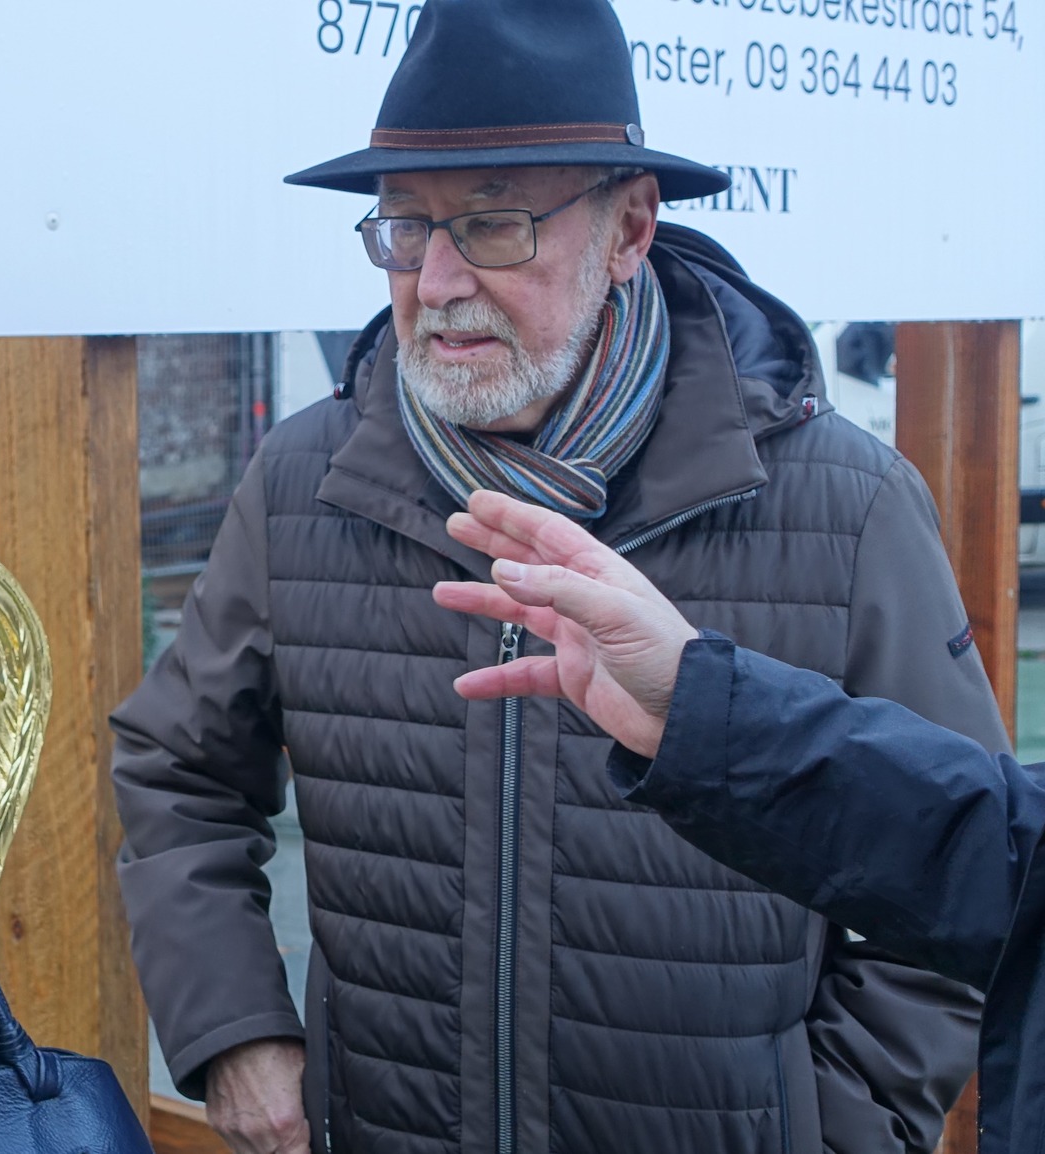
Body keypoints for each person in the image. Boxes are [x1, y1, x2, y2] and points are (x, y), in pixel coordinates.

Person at [108, 0, 1001, 1150]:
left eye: (490, 226)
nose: (433, 282)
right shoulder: (300, 483)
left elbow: (954, 867)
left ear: (630, 228)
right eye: (403, 228)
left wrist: (832, 1128)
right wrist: (232, 1029)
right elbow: (176, 771)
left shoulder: (842, 503)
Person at [433, 488, 1045, 1154]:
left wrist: (844, 1132)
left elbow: (977, 906)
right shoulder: (304, 465)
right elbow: (995, 856)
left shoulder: (857, 493)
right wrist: (693, 709)